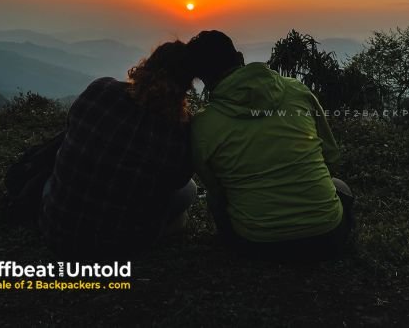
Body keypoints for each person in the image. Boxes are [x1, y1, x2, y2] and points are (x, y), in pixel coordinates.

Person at [187, 30, 354, 261]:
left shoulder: (202, 125)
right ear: (240, 58)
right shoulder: (297, 90)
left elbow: (217, 190)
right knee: (339, 186)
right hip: (327, 238)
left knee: (219, 199)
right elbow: (331, 156)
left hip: (257, 246)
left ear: (202, 78)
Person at [39, 41, 197, 260]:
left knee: (53, 181)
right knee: (190, 191)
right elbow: (177, 181)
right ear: (185, 86)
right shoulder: (179, 131)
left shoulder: (101, 90)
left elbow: (70, 129)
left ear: (146, 65)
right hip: (118, 248)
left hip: (56, 231)